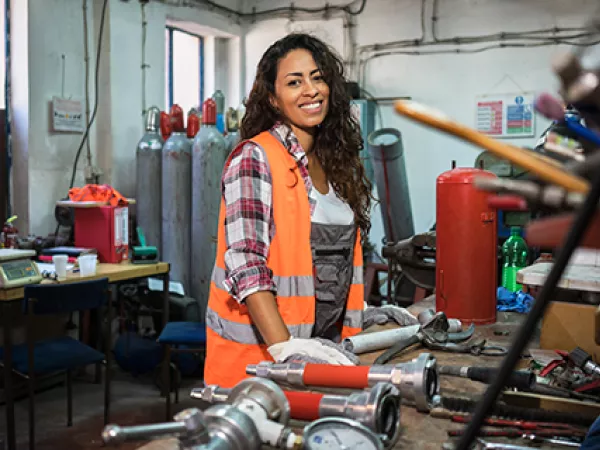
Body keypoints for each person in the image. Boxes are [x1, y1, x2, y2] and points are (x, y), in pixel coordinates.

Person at [203, 33, 374, 388]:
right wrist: (287, 353)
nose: (310, 90)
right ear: (273, 99)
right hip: (259, 369)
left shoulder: (335, 164)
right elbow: (247, 264)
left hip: (324, 357)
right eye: (294, 82)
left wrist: (366, 322)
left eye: (318, 77)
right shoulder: (255, 157)